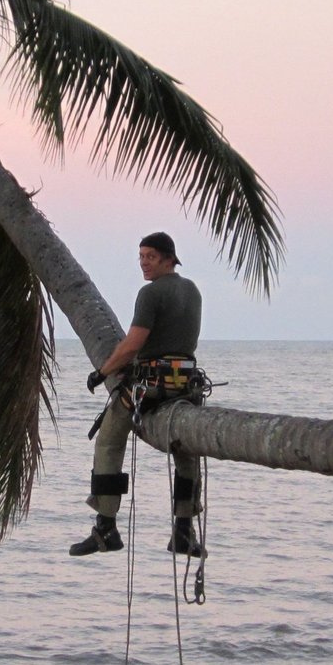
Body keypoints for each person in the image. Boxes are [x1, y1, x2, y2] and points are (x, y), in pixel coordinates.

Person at [70, 232, 205, 558]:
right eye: (141, 256)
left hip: (152, 386)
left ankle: (106, 527)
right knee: (187, 454)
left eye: (151, 257)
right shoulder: (192, 290)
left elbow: (132, 344)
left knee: (110, 438)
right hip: (185, 386)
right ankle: (183, 531)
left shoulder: (150, 293)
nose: (144, 262)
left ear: (170, 259)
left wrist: (101, 372)